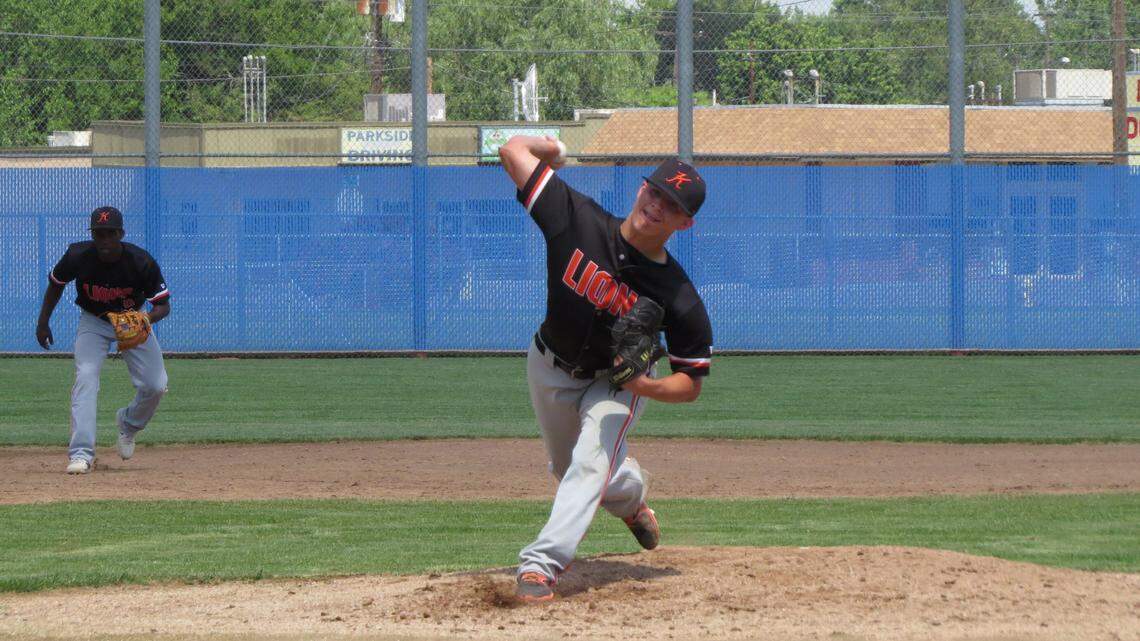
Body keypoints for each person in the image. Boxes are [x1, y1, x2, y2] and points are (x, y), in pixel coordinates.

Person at [499, 137, 713, 603]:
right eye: (655, 191)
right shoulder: (577, 219)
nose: (657, 206)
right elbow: (513, 150)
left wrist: (644, 384)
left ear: (685, 222)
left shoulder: (678, 297)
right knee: (567, 467)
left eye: (671, 204)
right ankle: (631, 497)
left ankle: (540, 566)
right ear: (640, 189)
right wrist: (555, 149)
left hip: (615, 384)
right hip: (549, 365)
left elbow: (690, 383)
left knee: (591, 460)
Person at [36, 206, 171, 474]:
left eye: (110, 233)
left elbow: (163, 306)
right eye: (99, 234)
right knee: (85, 376)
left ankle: (129, 424)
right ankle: (81, 454)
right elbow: (56, 284)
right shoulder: (78, 255)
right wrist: (42, 322)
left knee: (156, 385)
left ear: (121, 233)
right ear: (92, 235)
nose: (105, 240)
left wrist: (143, 320)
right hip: (94, 322)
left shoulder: (141, 262)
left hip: (133, 322)